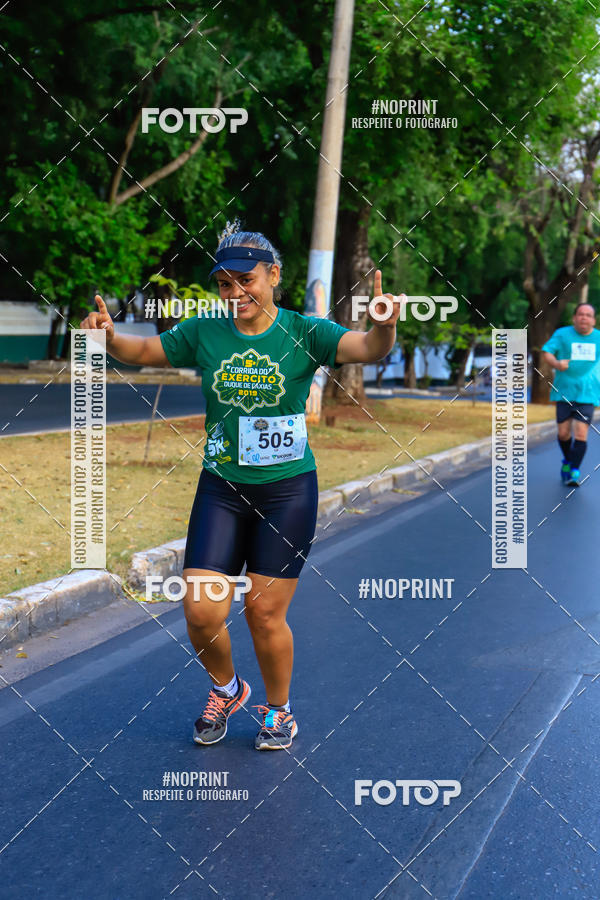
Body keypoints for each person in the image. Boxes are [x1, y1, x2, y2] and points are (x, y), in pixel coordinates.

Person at [80, 222, 402, 750]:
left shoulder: (306, 332)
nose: (235, 293)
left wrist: (384, 324)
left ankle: (279, 711)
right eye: (225, 284)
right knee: (202, 608)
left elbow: (368, 347)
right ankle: (226, 689)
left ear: (274, 276)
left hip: (287, 491)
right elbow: (143, 354)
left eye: (245, 280)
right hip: (223, 489)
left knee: (262, 612)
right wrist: (109, 338)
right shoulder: (206, 330)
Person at [542, 301, 600, 487]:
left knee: (581, 433)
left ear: (594, 320)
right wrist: (557, 364)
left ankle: (574, 471)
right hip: (564, 392)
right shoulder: (562, 334)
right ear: (574, 318)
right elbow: (547, 353)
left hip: (587, 394)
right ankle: (568, 460)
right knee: (563, 434)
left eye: (588, 315)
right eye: (581, 314)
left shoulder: (599, 338)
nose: (584, 317)